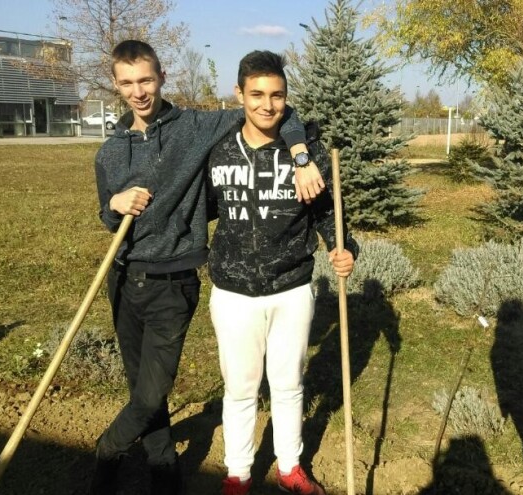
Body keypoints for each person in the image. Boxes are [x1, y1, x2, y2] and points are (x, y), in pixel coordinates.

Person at [91, 40, 323, 495]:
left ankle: (105, 452)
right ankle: (163, 470)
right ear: (116, 87)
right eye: (128, 83)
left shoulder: (196, 127)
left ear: (161, 78)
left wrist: (299, 156)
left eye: (147, 80)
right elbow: (107, 215)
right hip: (123, 278)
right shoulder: (111, 151)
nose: (139, 92)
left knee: (150, 393)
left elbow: (277, 110)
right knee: (143, 390)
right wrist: (113, 205)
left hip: (175, 278)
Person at [206, 50, 358, 495]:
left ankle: (290, 467)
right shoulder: (216, 150)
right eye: (256, 94)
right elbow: (201, 206)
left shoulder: (304, 151)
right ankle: (237, 474)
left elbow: (328, 212)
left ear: (286, 97)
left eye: (276, 95)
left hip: (291, 287)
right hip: (233, 291)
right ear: (239, 93)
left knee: (289, 382)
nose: (267, 105)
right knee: (240, 388)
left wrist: (342, 247)